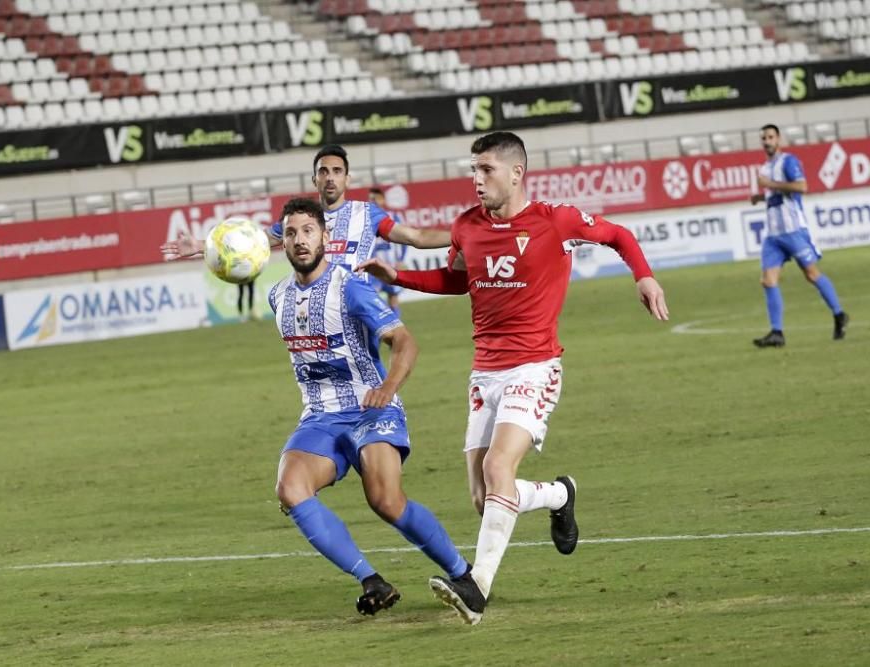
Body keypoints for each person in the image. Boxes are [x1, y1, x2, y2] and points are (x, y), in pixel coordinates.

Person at [357, 131, 669, 625]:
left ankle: (476, 589)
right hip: (486, 373)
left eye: (486, 170)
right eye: (473, 170)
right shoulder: (466, 226)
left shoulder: (554, 220)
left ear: (516, 173)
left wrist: (643, 275)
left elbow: (618, 236)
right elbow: (460, 280)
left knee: (498, 470)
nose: (476, 180)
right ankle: (560, 494)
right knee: (486, 500)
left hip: (535, 366)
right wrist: (400, 277)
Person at [270, 197, 471, 616]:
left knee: (385, 500)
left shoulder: (350, 287)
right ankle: (372, 580)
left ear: (326, 237)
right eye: (291, 233)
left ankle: (462, 573)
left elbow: (404, 341)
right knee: (290, 489)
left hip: (370, 409)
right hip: (320, 417)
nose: (300, 240)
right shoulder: (278, 297)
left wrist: (388, 387)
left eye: (308, 231)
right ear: (282, 243)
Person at [160, 145, 450, 271]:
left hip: (355, 309)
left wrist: (463, 235)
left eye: (337, 171)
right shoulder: (298, 219)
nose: (330, 177)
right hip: (312, 316)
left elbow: (416, 237)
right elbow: (254, 243)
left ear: (347, 178)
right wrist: (201, 244)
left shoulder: (367, 214)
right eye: (324, 171)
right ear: (315, 178)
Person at [749, 124, 848, 347]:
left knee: (812, 275)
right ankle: (777, 333)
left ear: (779, 139)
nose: (766, 141)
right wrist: (760, 197)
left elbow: (802, 187)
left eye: (770, 137)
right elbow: (777, 195)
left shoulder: (788, 162)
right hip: (774, 235)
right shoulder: (766, 167)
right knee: (767, 280)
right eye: (763, 137)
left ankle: (839, 314)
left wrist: (770, 185)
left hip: (794, 231)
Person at [367, 186, 406, 316]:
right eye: (371, 199)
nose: (373, 201)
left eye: (375, 198)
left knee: (393, 297)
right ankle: (379, 327)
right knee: (372, 298)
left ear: (383, 199)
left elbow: (404, 240)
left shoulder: (394, 217)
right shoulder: (366, 218)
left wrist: (401, 259)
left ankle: (396, 326)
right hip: (374, 268)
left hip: (391, 266)